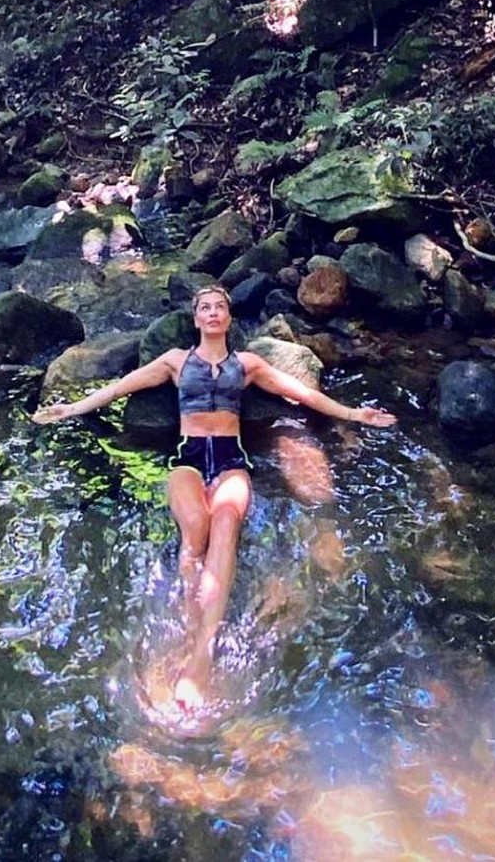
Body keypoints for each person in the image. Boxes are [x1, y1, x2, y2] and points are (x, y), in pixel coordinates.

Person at [30, 284, 397, 714]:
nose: (212, 313)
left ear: (228, 318)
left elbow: (301, 393)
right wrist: (72, 409)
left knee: (225, 527)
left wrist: (354, 414)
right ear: (195, 318)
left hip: (230, 460)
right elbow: (120, 387)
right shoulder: (174, 362)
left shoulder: (248, 364)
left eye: (219, 307)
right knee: (196, 532)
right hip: (187, 460)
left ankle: (200, 654)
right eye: (205, 307)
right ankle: (189, 630)